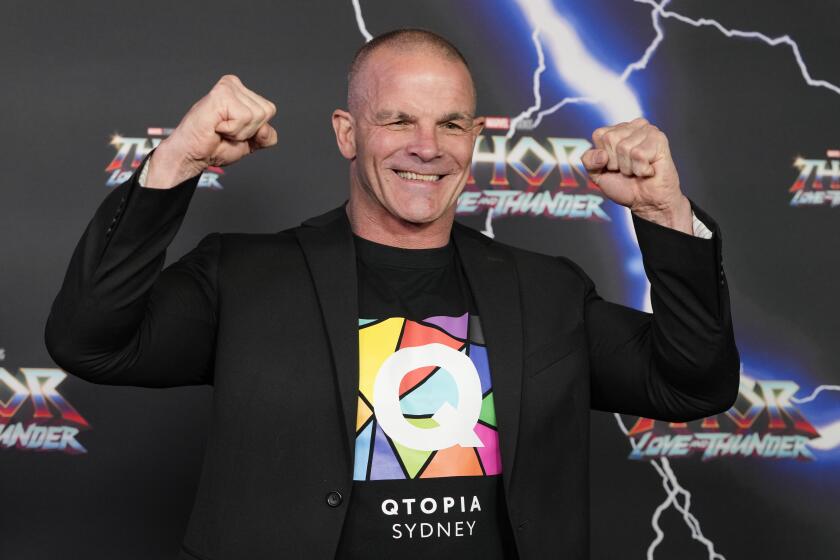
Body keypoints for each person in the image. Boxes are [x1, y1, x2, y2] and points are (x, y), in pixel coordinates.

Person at [45, 28, 739, 560]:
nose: (427, 146)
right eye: (398, 121)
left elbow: (692, 383)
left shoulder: (547, 288)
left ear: (475, 138)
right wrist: (175, 162)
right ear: (348, 134)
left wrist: (664, 214)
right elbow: (91, 340)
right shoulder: (245, 277)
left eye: (451, 123)